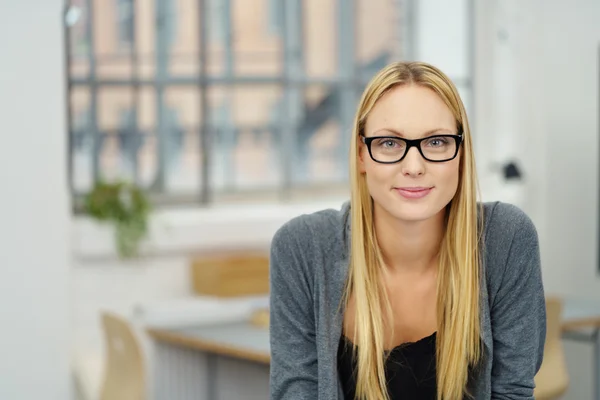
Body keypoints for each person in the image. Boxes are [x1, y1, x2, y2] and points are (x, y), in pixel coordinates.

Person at [268, 61, 546, 400]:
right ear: (360, 154)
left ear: (461, 152)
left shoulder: (506, 239)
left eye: (437, 143)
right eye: (389, 144)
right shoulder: (301, 248)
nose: (414, 167)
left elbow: (512, 392)